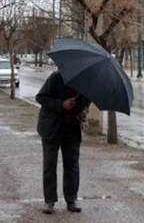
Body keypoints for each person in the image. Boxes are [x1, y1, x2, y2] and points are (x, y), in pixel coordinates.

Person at [36, 71, 90, 214]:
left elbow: (85, 104)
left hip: (71, 129)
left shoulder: (85, 84)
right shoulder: (56, 77)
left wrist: (83, 111)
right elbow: (41, 97)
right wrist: (61, 104)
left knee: (72, 165)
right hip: (51, 128)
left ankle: (71, 200)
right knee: (49, 165)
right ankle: (49, 201)